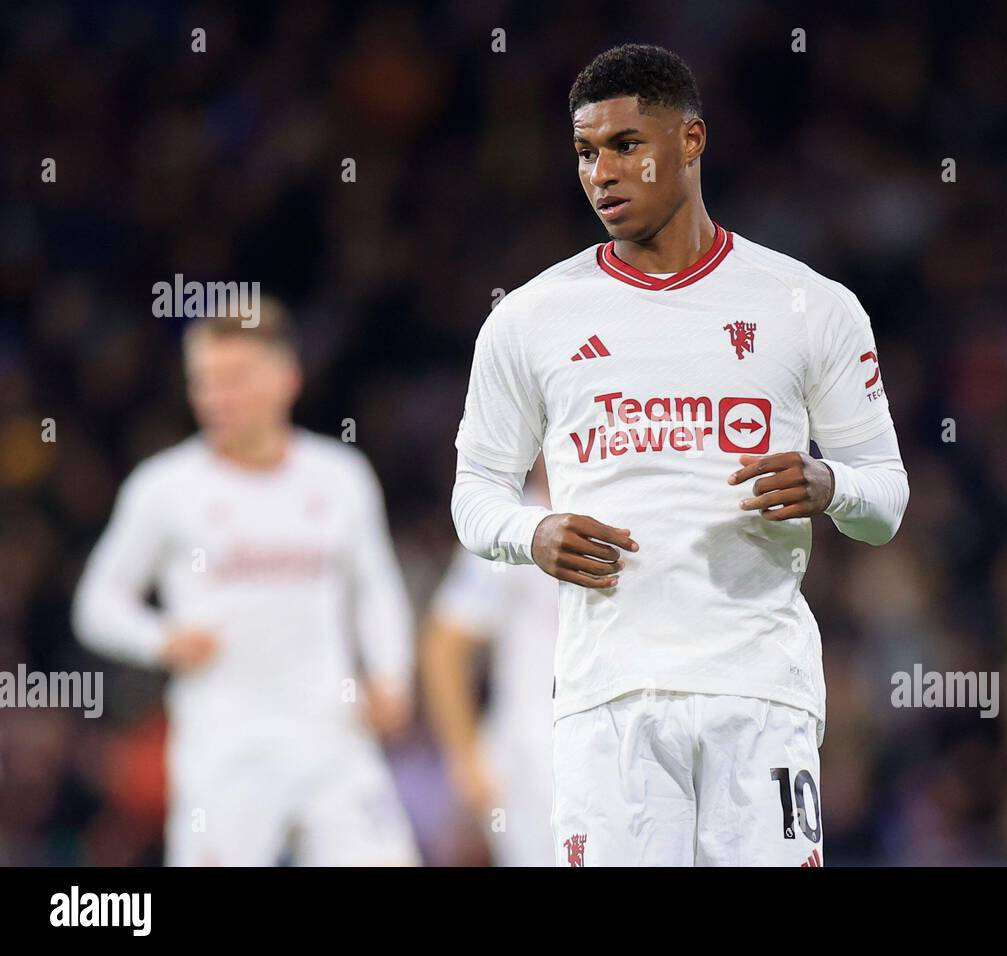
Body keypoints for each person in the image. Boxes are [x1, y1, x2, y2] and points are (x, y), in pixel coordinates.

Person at [450, 44, 909, 866]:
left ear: (691, 140)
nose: (602, 173)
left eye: (627, 145)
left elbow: (887, 502)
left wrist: (828, 482)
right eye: (587, 153)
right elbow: (476, 493)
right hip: (607, 700)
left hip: (762, 691)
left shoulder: (810, 306)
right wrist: (533, 532)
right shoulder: (529, 320)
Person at [73, 301, 419, 866]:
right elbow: (97, 603)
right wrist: (161, 639)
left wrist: (391, 675)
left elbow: (376, 588)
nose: (215, 397)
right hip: (224, 745)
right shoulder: (165, 487)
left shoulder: (340, 477)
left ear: (287, 378)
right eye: (202, 381)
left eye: (233, 379)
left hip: (331, 733)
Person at [424, 460, 558, 867]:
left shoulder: (634, 515)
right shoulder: (517, 526)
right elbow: (443, 644)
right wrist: (465, 759)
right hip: (534, 759)